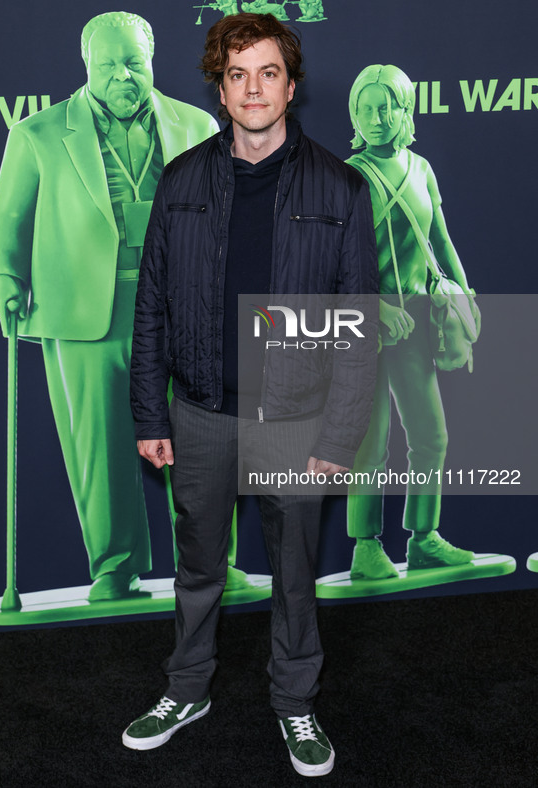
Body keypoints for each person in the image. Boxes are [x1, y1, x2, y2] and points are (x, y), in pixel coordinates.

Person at [127, 12, 378, 777]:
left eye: (267, 72)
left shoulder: (339, 187)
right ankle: (187, 689)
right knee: (197, 569)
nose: (252, 88)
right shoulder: (181, 182)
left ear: (290, 85)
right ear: (220, 88)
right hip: (200, 413)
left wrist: (337, 441)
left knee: (293, 579)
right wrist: (150, 410)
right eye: (236, 74)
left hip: (293, 424)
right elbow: (152, 307)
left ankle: (295, 703)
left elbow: (356, 332)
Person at [0, 12, 218, 601]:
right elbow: (9, 220)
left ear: (152, 59)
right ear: (86, 66)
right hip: (87, 310)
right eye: (108, 64)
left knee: (198, 435)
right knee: (99, 442)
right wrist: (6, 277)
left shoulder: (195, 125)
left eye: (133, 62)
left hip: (179, 304)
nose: (123, 75)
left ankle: (209, 559)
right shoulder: (37, 134)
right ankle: (114, 565)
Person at [345, 64, 476, 580]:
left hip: (420, 321)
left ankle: (424, 536)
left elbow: (440, 242)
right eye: (366, 108)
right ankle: (365, 546)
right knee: (369, 443)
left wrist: (465, 295)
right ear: (353, 113)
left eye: (387, 107)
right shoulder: (345, 175)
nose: (376, 118)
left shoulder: (420, 169)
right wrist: (377, 305)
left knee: (430, 435)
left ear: (405, 110)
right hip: (365, 328)